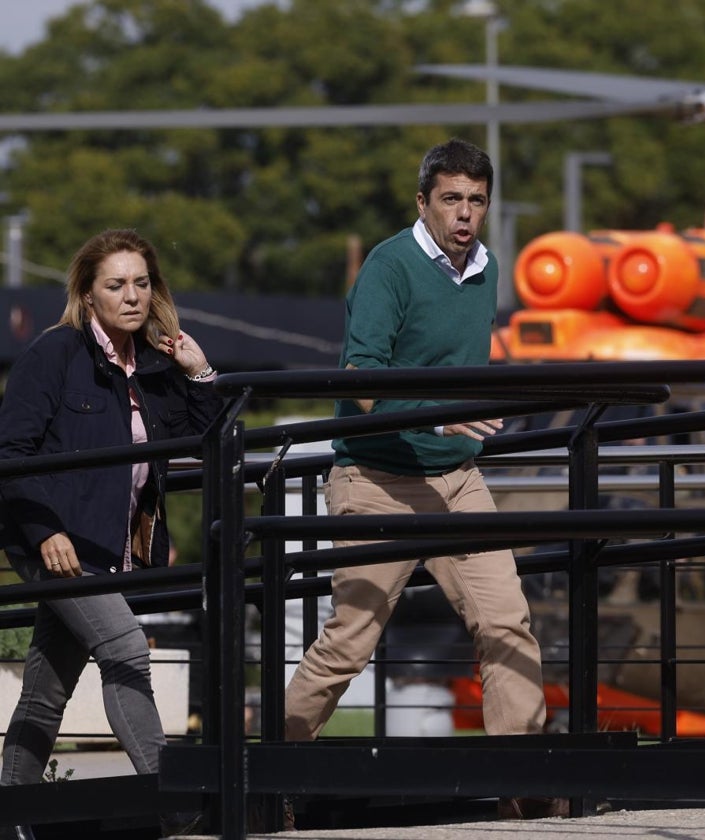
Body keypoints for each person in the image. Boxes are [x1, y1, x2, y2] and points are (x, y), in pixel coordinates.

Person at [283, 138, 565, 823]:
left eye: (476, 201)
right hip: (375, 477)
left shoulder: (488, 268)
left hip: (455, 478)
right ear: (423, 203)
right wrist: (440, 416)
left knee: (507, 621)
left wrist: (453, 425)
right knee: (351, 639)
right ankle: (271, 768)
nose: (464, 215)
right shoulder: (389, 266)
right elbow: (363, 380)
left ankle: (519, 783)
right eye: (451, 200)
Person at [0, 228, 223, 839]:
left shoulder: (152, 368)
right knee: (126, 649)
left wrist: (198, 372)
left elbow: (202, 443)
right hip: (57, 546)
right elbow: (11, 452)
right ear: (88, 293)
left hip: (110, 549)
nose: (131, 296)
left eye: (142, 283)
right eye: (116, 284)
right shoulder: (56, 355)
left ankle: (9, 815)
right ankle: (178, 808)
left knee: (46, 692)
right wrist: (45, 530)